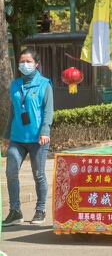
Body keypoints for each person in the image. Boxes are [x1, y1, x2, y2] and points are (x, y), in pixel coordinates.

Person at [3, 49, 53, 226]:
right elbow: (13, 111)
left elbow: (48, 110)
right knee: (11, 173)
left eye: (28, 61)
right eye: (21, 61)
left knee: (38, 175)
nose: (24, 64)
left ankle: (40, 209)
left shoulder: (44, 84)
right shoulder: (15, 85)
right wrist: (7, 134)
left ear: (36, 64)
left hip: (38, 139)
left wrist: (45, 131)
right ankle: (15, 211)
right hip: (17, 138)